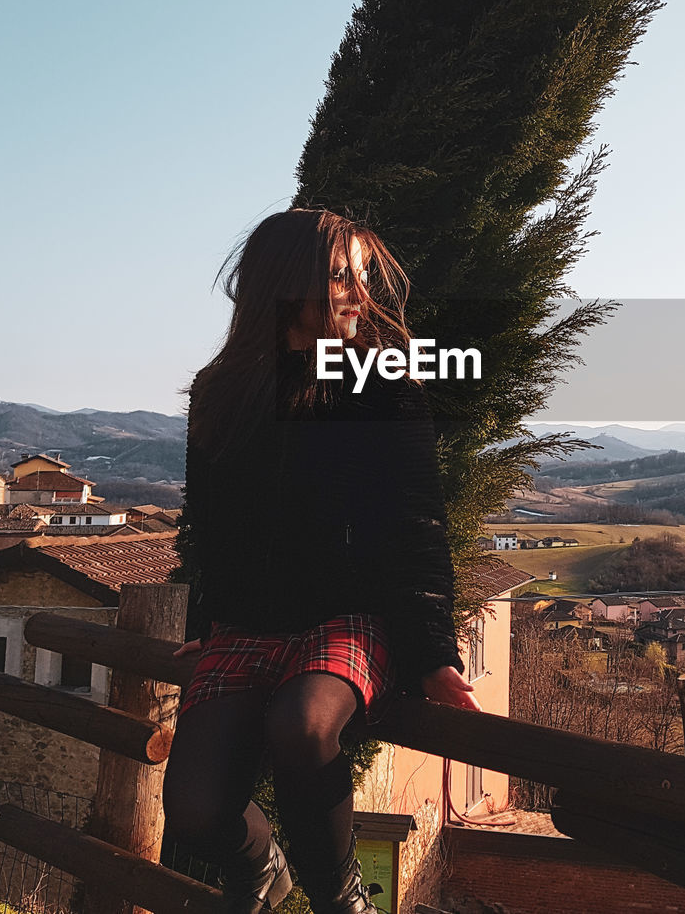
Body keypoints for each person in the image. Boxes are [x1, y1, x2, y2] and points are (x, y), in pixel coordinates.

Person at [163, 208, 480, 914]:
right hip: (246, 625)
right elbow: (209, 527)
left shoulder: (385, 384)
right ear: (286, 281)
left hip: (349, 619)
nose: (359, 295)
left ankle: (342, 900)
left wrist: (432, 652)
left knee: (303, 725)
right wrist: (207, 618)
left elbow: (416, 525)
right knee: (191, 806)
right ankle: (262, 865)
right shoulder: (220, 395)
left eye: (361, 277)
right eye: (342, 275)